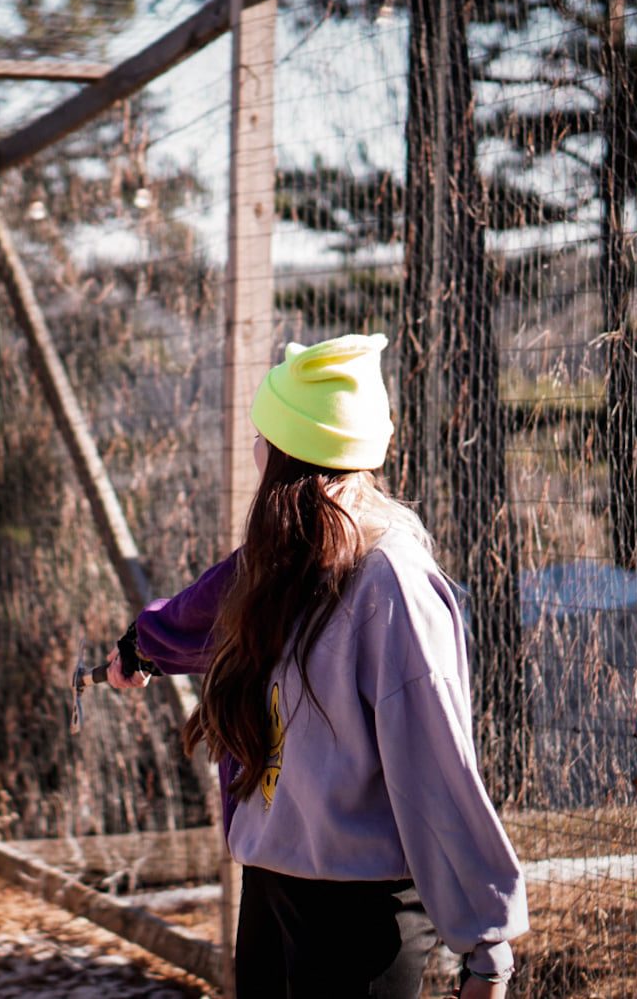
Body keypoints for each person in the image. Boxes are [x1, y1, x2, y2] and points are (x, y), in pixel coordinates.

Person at [107, 334, 527, 999]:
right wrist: (143, 646)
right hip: (271, 885)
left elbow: (437, 763)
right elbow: (207, 606)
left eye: (262, 435)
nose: (253, 446)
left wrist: (486, 941)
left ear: (284, 454)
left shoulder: (390, 582)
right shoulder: (281, 561)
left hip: (360, 913)